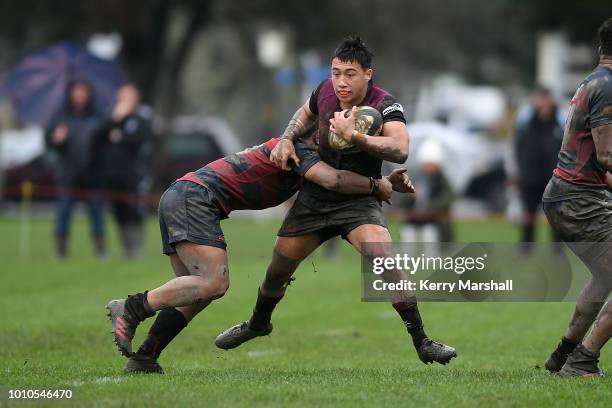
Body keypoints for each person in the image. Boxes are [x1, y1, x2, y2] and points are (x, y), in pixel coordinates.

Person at [215, 37, 456, 365]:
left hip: (359, 200)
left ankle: (422, 341)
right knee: (277, 269)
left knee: (386, 262)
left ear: (368, 74)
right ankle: (259, 323)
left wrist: (354, 136)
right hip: (316, 198)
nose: (341, 81)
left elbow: (400, 149)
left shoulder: (386, 105)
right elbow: (303, 114)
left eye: (350, 74)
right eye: (336, 72)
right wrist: (287, 138)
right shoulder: (325, 92)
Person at [106, 125, 414, 374]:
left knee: (194, 294)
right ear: (317, 133)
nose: (338, 141)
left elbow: (336, 183)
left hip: (183, 195)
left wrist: (386, 180)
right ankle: (132, 308)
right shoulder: (300, 151)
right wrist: (378, 186)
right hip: (194, 199)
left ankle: (145, 357)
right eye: (333, 134)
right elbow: (333, 179)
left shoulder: (300, 154)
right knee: (213, 283)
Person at [541, 17, 612, 377]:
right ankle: (582, 361)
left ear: (601, 49)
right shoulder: (609, 85)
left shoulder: (592, 79)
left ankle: (563, 355)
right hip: (579, 199)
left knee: (605, 277)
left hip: (568, 194)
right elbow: (606, 155)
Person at [45, 80, 106, 259]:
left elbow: (104, 142)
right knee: (63, 212)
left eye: (83, 91)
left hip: (92, 174)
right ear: (70, 94)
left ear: (88, 94)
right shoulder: (60, 116)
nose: (79, 95)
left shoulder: (97, 116)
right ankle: (60, 250)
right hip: (68, 174)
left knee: (96, 213)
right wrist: (56, 139)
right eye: (76, 91)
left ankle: (100, 249)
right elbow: (48, 142)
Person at [94, 84, 153, 259]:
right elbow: (98, 137)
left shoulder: (142, 117)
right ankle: (126, 249)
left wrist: (119, 135)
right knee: (118, 211)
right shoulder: (111, 116)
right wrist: (116, 119)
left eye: (129, 95)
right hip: (113, 174)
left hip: (134, 174)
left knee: (134, 210)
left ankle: (136, 249)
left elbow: (139, 140)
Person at [514, 86, 563, 244]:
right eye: (539, 99)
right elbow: (516, 149)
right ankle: (526, 250)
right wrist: (519, 172)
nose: (542, 103)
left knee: (556, 218)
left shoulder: (561, 123)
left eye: (545, 99)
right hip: (530, 179)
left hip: (554, 180)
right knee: (528, 218)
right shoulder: (525, 123)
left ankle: (557, 251)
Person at [399, 139, 454, 246]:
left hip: (433, 220)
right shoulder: (413, 176)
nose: (429, 168)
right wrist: (410, 195)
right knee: (408, 238)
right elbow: (400, 199)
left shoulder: (442, 180)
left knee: (429, 237)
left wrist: (430, 206)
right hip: (412, 219)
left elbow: (448, 197)